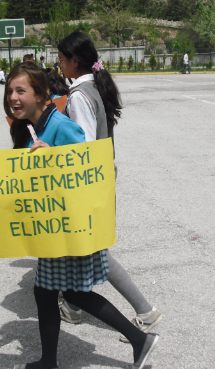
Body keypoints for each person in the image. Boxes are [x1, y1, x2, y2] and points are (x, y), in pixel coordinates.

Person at [0, 62, 158, 369]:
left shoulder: (61, 125)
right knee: (49, 293)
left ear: (42, 95)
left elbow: (86, 169)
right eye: (9, 91)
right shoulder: (28, 127)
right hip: (50, 230)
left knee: (71, 292)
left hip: (68, 229)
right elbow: (20, 180)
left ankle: (138, 340)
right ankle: (52, 360)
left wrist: (52, 159)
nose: (13, 97)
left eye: (20, 90)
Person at [57, 31, 163, 342]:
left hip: (88, 181)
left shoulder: (78, 96)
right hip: (101, 175)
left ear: (75, 61)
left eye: (62, 60)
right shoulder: (93, 86)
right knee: (74, 246)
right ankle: (73, 305)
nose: (60, 65)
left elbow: (83, 146)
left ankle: (145, 311)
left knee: (93, 250)